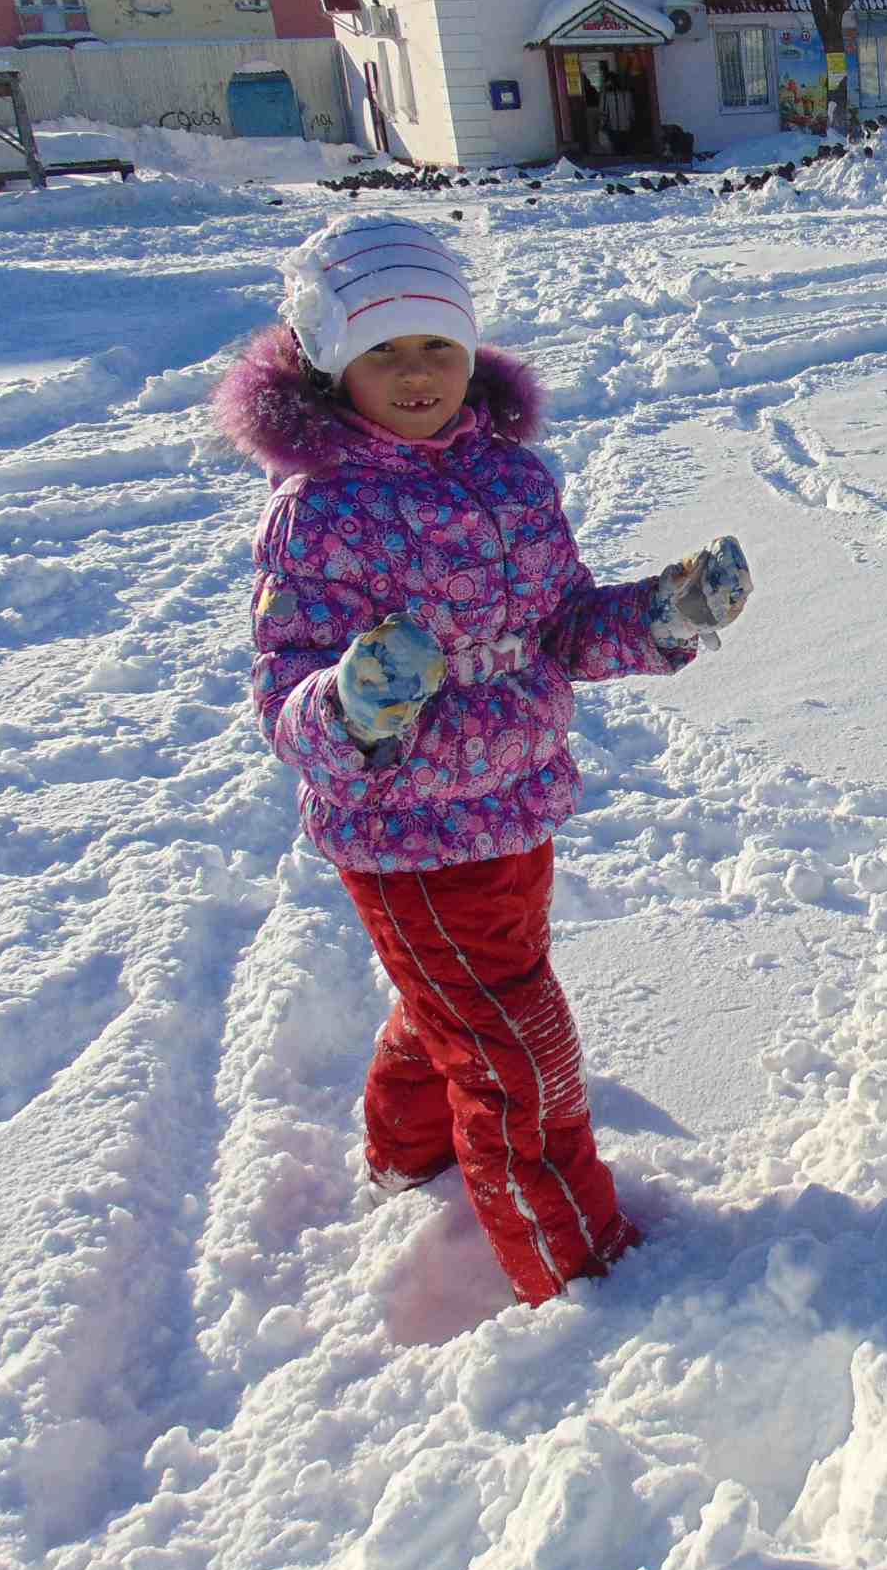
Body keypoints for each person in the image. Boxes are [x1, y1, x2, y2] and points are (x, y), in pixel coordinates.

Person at [214, 213, 755, 1305]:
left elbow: (560, 628)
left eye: (438, 347)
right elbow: (286, 697)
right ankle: (581, 1275)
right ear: (330, 361)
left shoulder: (512, 480)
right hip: (405, 838)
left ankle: (407, 1151)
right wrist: (353, 703)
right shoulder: (317, 513)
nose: (418, 375)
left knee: (454, 1010)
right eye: (383, 351)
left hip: (516, 808)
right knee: (520, 1054)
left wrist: (662, 614)